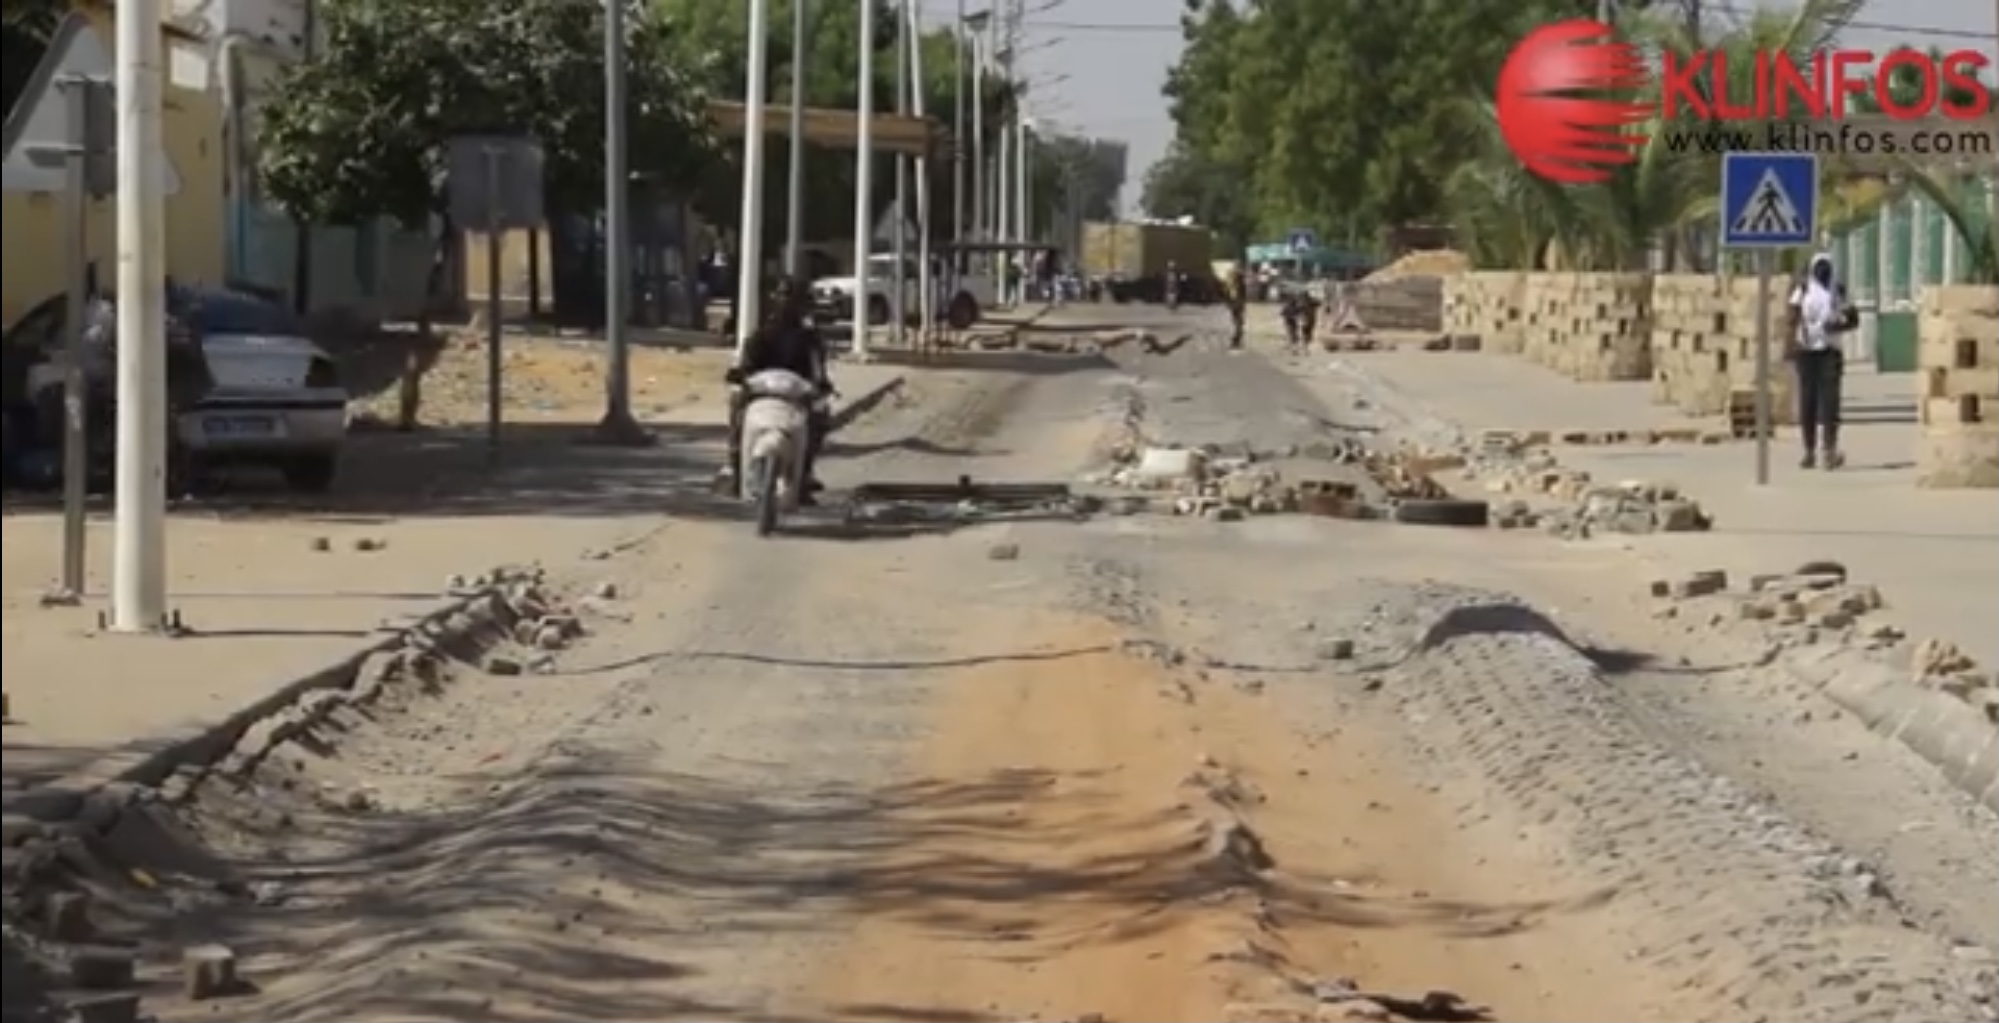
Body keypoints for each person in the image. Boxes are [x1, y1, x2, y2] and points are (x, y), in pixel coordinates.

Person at [723, 276, 833, 503]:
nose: (787, 302)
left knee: (820, 413)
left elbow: (818, 370)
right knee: (736, 403)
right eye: (783, 295)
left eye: (793, 298)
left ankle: (805, 470)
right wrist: (741, 376)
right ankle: (735, 463)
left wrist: (821, 386)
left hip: (796, 395)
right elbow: (746, 363)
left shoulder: (809, 339)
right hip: (762, 393)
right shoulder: (761, 334)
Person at [1784, 252, 1858, 470]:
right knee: (1808, 402)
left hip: (1830, 351)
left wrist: (1837, 326)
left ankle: (1829, 450)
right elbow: (1792, 317)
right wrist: (1790, 346)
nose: (1823, 273)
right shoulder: (1804, 290)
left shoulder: (1839, 291)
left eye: (1826, 268)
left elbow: (1853, 320)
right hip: (1806, 352)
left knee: (1830, 403)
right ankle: (1808, 451)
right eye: (1819, 268)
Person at [1225, 266, 1247, 349]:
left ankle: (1236, 340)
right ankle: (1236, 340)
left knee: (1238, 323)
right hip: (1236, 305)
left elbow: (1240, 295)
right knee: (1238, 323)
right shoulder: (1233, 285)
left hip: (1237, 305)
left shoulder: (1237, 285)